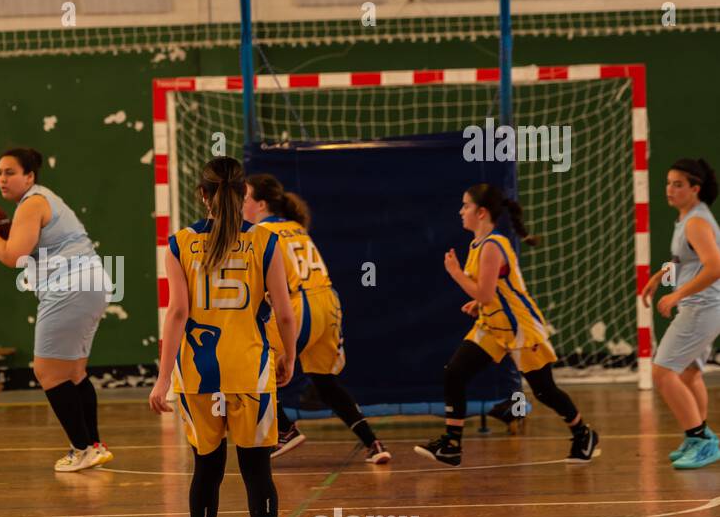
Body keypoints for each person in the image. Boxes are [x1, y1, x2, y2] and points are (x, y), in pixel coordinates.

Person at [149, 156, 296, 517]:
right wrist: (287, 356)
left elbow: (177, 314)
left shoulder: (179, 243)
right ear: (240, 195)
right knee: (257, 469)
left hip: (199, 374)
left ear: (203, 194)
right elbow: (285, 314)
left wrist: (162, 379)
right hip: (251, 370)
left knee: (206, 469)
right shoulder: (266, 241)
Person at [414, 184, 599, 466]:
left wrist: (455, 274)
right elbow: (494, 290)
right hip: (492, 325)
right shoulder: (478, 244)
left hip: (520, 328)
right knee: (454, 373)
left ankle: (583, 432)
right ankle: (451, 444)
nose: (461, 211)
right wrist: (479, 304)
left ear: (482, 212)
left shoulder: (492, 246)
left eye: (466, 205)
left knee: (543, 389)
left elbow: (485, 292)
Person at [0, 147, 112, 473]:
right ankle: (94, 445)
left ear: (29, 176)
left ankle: (81, 448)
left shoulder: (32, 203)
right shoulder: (43, 198)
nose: (2, 179)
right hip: (93, 282)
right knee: (74, 373)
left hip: (70, 286)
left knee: (47, 372)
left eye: (10, 172)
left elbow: (13, 257)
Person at [244, 175, 391, 464]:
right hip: (327, 303)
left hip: (297, 305)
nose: (241, 205)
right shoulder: (296, 227)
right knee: (326, 383)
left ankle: (286, 430)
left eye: (245, 198)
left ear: (260, 204)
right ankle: (373, 443)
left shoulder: (258, 232)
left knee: (252, 366)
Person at [640, 158, 720, 469]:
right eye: (668, 183)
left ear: (695, 189)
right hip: (704, 307)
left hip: (702, 308)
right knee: (689, 373)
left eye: (678, 184)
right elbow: (686, 261)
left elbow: (714, 267)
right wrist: (660, 277)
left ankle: (700, 440)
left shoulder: (696, 222)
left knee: (662, 372)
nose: (670, 190)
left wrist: (677, 294)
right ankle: (701, 436)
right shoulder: (687, 218)